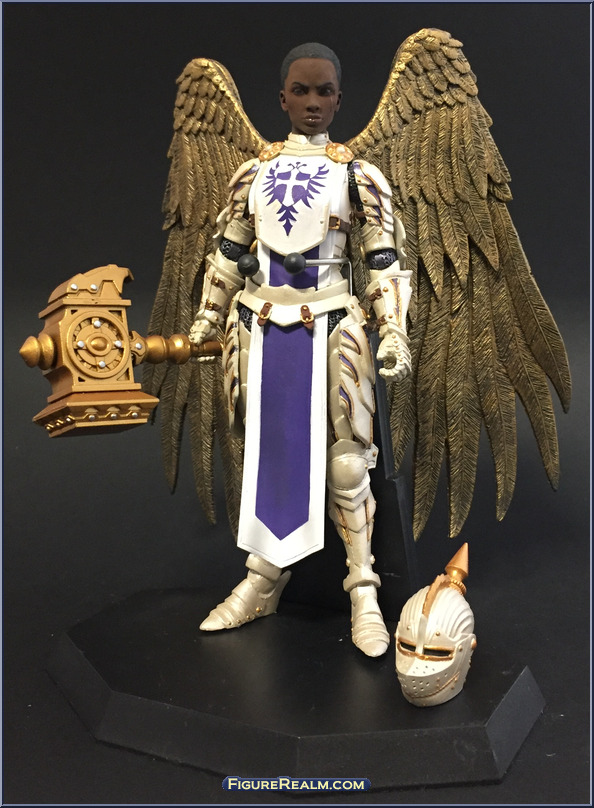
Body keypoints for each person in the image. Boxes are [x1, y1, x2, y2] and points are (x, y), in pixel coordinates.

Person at [187, 43, 412, 657]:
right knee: (267, 453)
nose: (313, 102)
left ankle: (363, 591)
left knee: (349, 464)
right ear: (282, 97)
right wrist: (208, 314)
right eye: (302, 91)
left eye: (324, 91)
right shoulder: (252, 173)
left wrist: (392, 328)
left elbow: (383, 255)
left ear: (339, 99)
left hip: (333, 323)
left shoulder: (357, 175)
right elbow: (229, 248)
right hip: (259, 328)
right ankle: (262, 580)